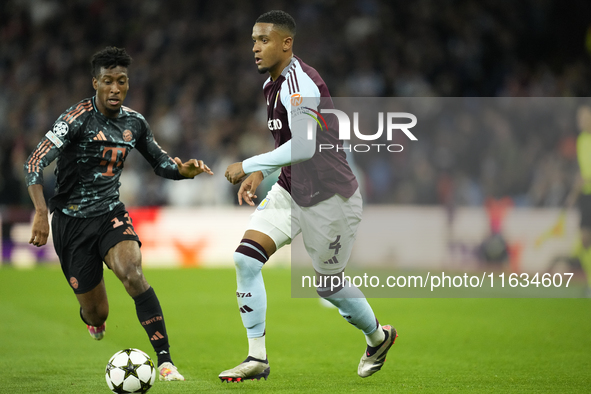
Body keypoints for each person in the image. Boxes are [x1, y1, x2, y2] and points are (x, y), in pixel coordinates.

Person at [221, 10, 396, 382]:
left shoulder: (300, 85)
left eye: (263, 40)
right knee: (245, 260)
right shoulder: (273, 83)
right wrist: (261, 172)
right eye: (253, 39)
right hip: (290, 190)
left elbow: (302, 146)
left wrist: (248, 161)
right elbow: (286, 144)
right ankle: (257, 358)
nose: (254, 47)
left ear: (287, 44)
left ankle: (378, 337)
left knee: (328, 286)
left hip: (331, 199)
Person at [24, 46, 213, 381]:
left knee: (133, 273)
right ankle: (94, 322)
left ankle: (166, 361)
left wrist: (182, 171)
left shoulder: (134, 122)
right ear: (95, 83)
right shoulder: (75, 119)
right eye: (108, 81)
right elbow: (35, 161)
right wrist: (41, 212)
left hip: (110, 213)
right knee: (97, 311)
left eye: (122, 82)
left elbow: (160, 162)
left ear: (128, 84)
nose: (115, 88)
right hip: (70, 222)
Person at [562, 104, 591, 295]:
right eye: (579, 118)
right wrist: (574, 195)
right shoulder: (581, 140)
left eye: (585, 117)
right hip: (586, 195)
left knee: (584, 241)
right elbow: (584, 174)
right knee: (585, 240)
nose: (581, 122)